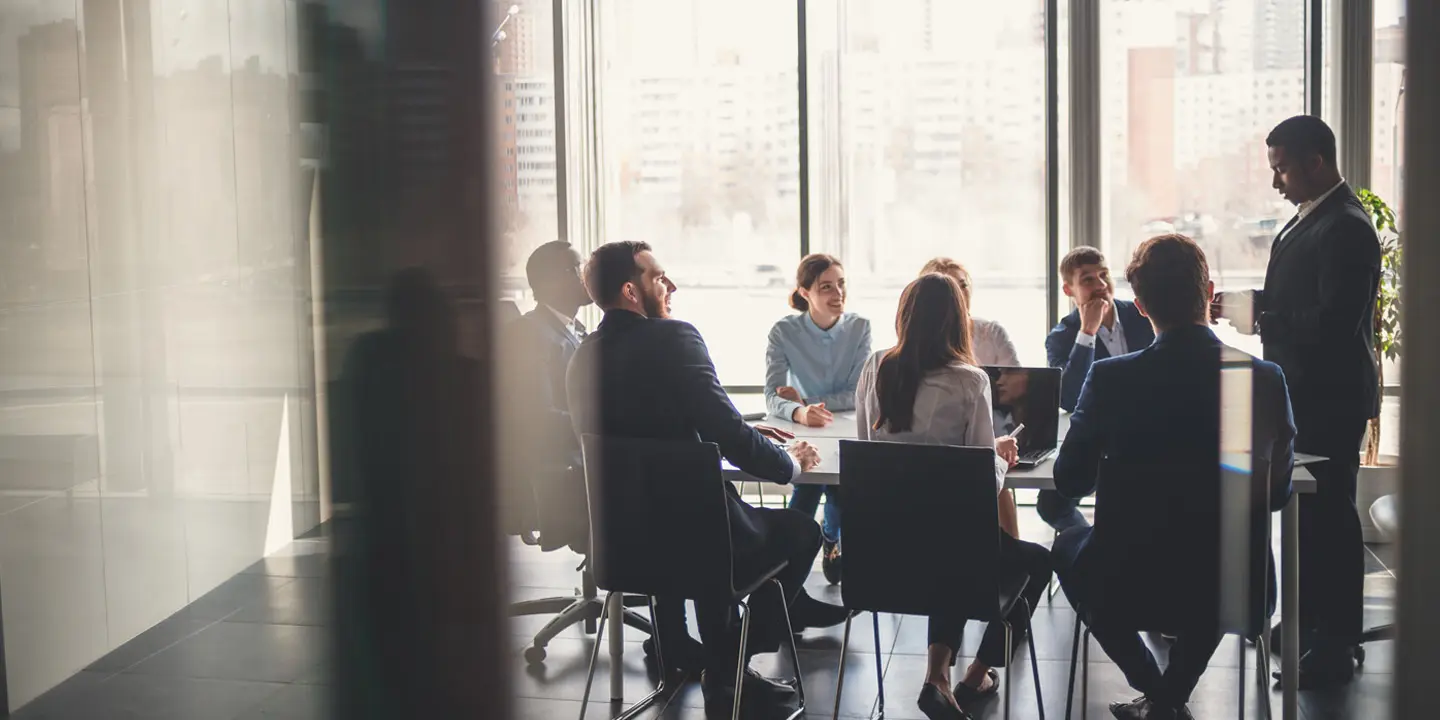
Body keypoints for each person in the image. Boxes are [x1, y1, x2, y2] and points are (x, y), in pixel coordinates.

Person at [566, 241, 850, 715]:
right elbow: (731, 439)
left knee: (699, 524)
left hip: (624, 542)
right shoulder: (675, 338)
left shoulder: (581, 357)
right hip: (700, 540)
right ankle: (728, 666)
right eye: (659, 277)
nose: (671, 285)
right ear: (631, 291)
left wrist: (728, 429)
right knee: (802, 532)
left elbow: (645, 427)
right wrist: (792, 464)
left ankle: (676, 647)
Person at [1052, 234, 1296, 720]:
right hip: (1235, 584)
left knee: (1068, 549)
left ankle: (1156, 691)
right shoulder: (1263, 379)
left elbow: (1070, 481)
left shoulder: (1111, 380)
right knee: (1217, 555)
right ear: (1209, 290)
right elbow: (1276, 495)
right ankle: (1170, 696)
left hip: (1130, 578)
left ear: (1140, 306)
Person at [1212, 115, 1381, 688]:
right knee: (1309, 517)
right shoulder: (1311, 220)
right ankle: (1311, 628)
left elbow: (1336, 323)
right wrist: (1251, 303)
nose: (1276, 181)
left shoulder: (1348, 226)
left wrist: (1265, 315)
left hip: (1329, 398)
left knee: (1331, 518)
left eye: (1282, 168)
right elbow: (1302, 298)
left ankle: (1335, 644)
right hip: (1303, 392)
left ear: (1317, 162)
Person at [855, 273, 1052, 720]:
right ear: (957, 322)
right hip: (954, 555)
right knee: (1029, 560)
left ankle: (937, 677)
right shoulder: (969, 380)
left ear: (904, 316)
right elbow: (983, 483)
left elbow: (866, 451)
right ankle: (975, 674)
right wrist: (1001, 456)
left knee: (949, 540)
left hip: (883, 555)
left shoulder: (874, 366)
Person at [765, 253, 872, 584]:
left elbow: (857, 393)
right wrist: (797, 412)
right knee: (809, 484)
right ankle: (796, 560)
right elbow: (772, 396)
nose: (837, 293)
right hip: (803, 430)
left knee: (840, 485)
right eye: (826, 286)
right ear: (804, 292)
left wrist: (805, 402)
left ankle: (823, 542)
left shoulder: (859, 328)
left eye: (841, 284)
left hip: (847, 429)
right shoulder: (783, 331)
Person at [1040, 247, 1156, 532]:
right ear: (1069, 289)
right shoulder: (1061, 337)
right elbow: (1068, 398)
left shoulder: (1143, 315)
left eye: (1104, 275)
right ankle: (1089, 546)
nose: (1101, 285)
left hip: (1149, 431)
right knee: (1051, 504)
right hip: (1097, 436)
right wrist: (1087, 333)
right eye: (1088, 279)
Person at [921, 258, 1025, 540]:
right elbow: (983, 471)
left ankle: (1006, 548)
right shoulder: (969, 378)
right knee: (993, 470)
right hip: (954, 448)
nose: (955, 293)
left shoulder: (990, 333)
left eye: (961, 285)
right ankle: (1002, 557)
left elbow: (1016, 385)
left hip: (991, 426)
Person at [920, 257, 1021, 366]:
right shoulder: (919, 341)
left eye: (963, 286)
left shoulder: (992, 333)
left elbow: (1017, 379)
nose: (960, 295)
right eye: (951, 288)